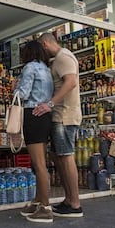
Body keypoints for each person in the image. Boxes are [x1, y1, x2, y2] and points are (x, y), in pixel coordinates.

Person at [34, 32, 84, 218]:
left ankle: (75, 204)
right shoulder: (58, 59)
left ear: (45, 43)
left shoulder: (64, 57)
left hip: (65, 116)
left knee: (65, 156)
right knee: (58, 156)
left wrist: (50, 104)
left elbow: (71, 82)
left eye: (41, 48)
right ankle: (69, 200)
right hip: (59, 116)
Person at [14, 40, 54, 223]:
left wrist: (14, 88)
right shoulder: (46, 68)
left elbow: (22, 93)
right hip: (44, 116)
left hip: (32, 114)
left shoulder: (29, 67)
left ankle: (45, 208)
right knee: (40, 163)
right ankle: (38, 200)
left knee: (38, 165)